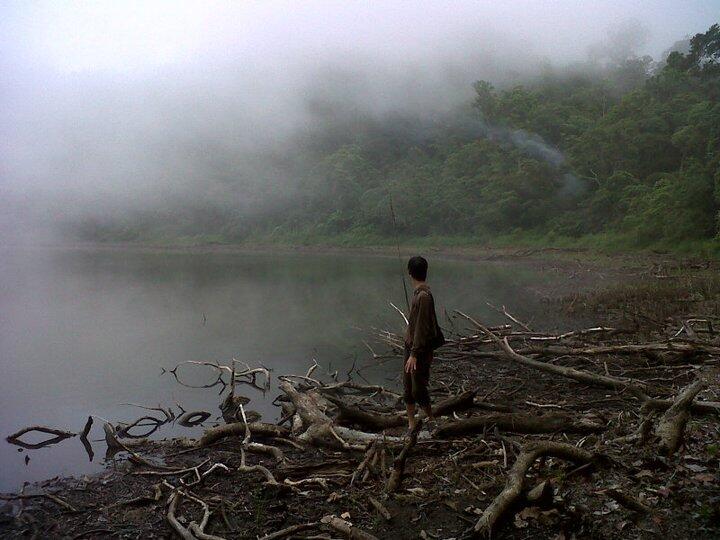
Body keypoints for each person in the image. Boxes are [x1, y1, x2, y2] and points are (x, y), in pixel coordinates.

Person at [403, 255, 442, 430]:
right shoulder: (418, 295)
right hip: (411, 347)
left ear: (410, 273)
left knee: (418, 388)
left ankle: (432, 420)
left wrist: (414, 354)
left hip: (419, 350)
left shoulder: (423, 297)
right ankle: (411, 423)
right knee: (408, 386)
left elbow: (422, 328)